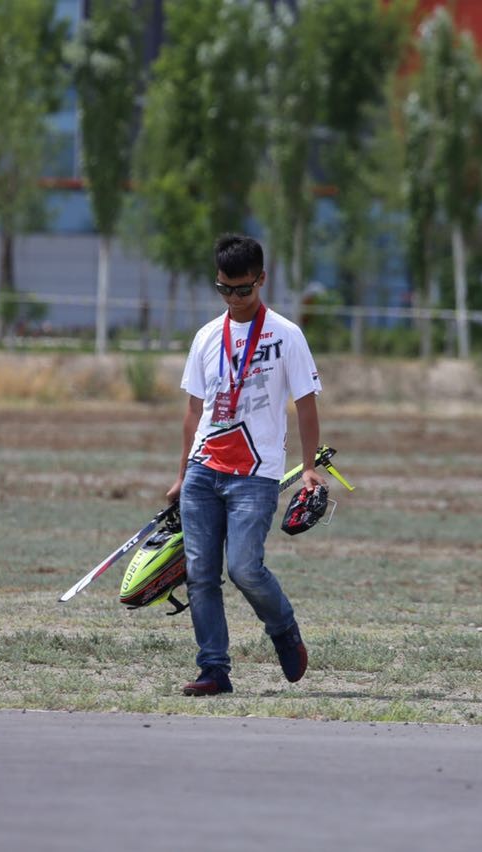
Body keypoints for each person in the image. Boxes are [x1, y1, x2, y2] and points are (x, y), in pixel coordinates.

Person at [166, 233, 325, 697]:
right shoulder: (206, 337)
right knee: (199, 573)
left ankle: (283, 629)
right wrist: (180, 475)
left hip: (256, 475)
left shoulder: (286, 335)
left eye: (244, 290)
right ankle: (214, 669)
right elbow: (193, 413)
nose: (235, 300)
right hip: (203, 470)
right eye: (225, 290)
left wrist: (309, 465)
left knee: (244, 568)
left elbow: (307, 404)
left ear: (261, 280)